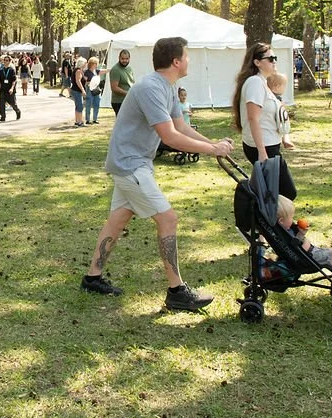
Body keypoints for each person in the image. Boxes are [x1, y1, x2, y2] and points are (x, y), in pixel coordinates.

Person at [81, 37, 234, 311]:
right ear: (176, 61)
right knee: (168, 218)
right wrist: (212, 150)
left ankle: (92, 278)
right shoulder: (151, 88)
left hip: (133, 163)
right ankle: (177, 291)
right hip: (130, 165)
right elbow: (170, 137)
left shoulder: (168, 87)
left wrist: (213, 145)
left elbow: (181, 127)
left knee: (118, 220)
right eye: (186, 56)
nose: (189, 61)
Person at [231, 42, 297, 200]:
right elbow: (253, 118)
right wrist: (262, 152)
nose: (274, 61)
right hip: (263, 147)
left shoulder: (262, 82)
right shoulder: (255, 82)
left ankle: (269, 216)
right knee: (286, 192)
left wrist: (284, 137)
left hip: (269, 144)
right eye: (270, 59)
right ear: (257, 62)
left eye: (275, 58)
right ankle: (265, 215)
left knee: (274, 194)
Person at [276, 195, 332, 295]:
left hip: (311, 253)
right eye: (291, 217)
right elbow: (296, 249)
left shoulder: (282, 231)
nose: (293, 219)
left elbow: (294, 244)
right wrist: (302, 238)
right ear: (281, 221)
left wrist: (301, 234)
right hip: (309, 258)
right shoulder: (282, 234)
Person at [264, 72, 293, 149]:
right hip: (277, 120)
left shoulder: (266, 96)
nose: (284, 89)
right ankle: (286, 139)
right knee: (284, 125)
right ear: (277, 87)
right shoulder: (277, 99)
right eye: (284, 86)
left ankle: (286, 138)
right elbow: (282, 111)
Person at [108, 49, 134, 115]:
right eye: (122, 58)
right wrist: (127, 93)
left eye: (126, 59)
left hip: (128, 100)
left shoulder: (129, 68)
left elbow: (131, 83)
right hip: (119, 102)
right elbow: (114, 88)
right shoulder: (115, 69)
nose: (124, 60)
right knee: (123, 121)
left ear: (129, 58)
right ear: (119, 58)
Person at [0, 55, 21, 122]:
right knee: (1, 104)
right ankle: (3, 117)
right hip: (3, 90)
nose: (5, 62)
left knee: (13, 104)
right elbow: (0, 80)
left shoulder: (11, 70)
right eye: (4, 60)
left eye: (7, 60)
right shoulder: (1, 71)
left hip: (10, 90)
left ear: (10, 61)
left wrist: (12, 88)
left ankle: (17, 111)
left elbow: (14, 80)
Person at [84, 56, 104, 125]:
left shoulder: (96, 71)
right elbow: (84, 82)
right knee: (88, 104)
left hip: (96, 89)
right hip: (89, 89)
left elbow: (104, 71)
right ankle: (87, 119)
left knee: (97, 104)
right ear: (92, 64)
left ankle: (95, 119)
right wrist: (90, 82)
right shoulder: (87, 72)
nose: (96, 65)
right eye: (95, 63)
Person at [70, 56, 87, 127]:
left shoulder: (80, 71)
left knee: (78, 106)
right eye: (85, 63)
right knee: (80, 106)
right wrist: (83, 90)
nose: (86, 64)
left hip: (76, 90)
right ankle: (79, 121)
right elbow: (78, 81)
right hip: (77, 91)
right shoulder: (78, 71)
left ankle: (77, 121)